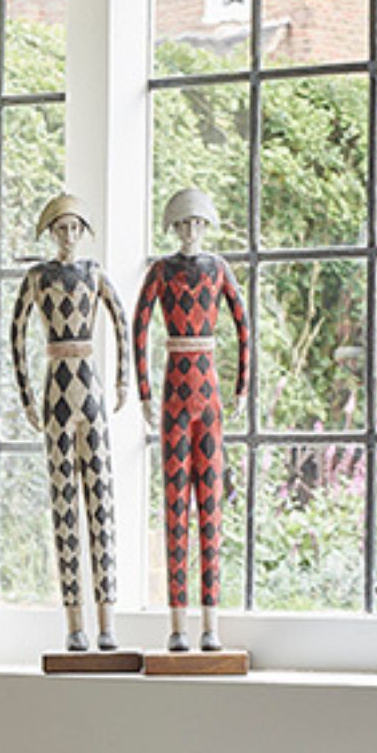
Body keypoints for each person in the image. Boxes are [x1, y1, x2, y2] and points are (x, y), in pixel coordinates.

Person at [7, 192, 130, 653]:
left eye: (75, 228)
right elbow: (16, 334)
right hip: (56, 391)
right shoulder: (37, 278)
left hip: (89, 391)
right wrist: (26, 396)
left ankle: (107, 622)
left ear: (83, 232)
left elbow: (121, 321)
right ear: (51, 232)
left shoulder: (94, 274)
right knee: (63, 505)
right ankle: (75, 623)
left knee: (101, 502)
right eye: (61, 229)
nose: (68, 236)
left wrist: (122, 381)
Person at [132, 185, 251, 653]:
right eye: (183, 224)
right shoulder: (161, 272)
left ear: (206, 226)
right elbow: (139, 329)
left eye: (196, 223)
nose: (190, 231)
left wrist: (242, 385)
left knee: (211, 507)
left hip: (208, 393)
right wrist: (143, 392)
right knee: (174, 505)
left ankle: (211, 624)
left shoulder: (218, 269)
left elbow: (243, 326)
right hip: (174, 395)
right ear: (174, 227)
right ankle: (178, 625)